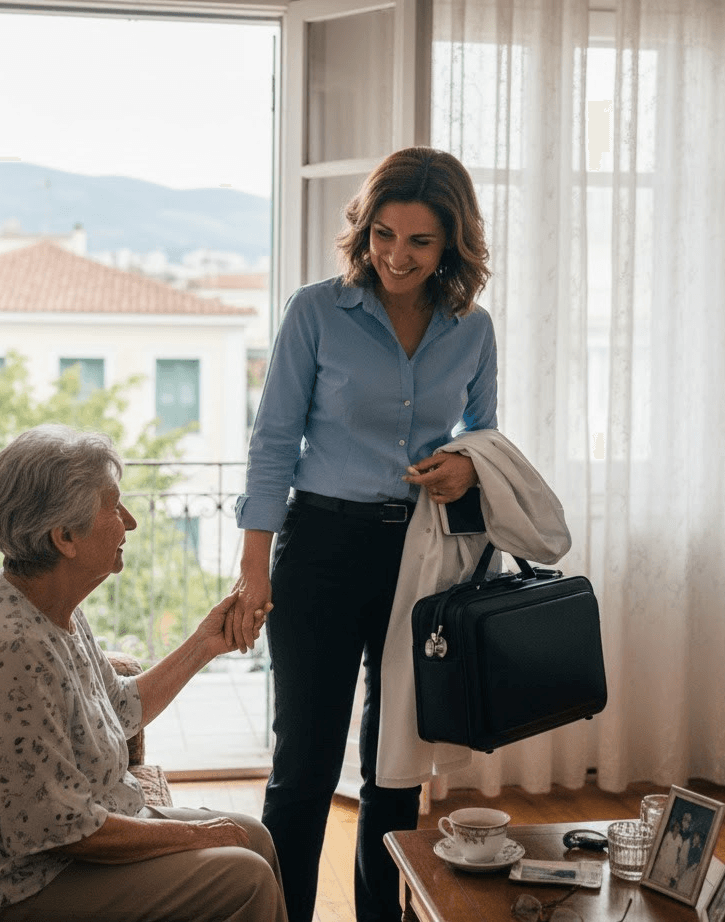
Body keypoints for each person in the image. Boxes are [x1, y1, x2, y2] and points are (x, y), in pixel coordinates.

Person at [230, 147, 498, 922]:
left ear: (452, 243)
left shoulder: (472, 329)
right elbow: (272, 442)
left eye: (419, 241)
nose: (396, 256)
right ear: (364, 228)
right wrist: (254, 568)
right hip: (319, 548)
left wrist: (465, 466)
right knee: (305, 766)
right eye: (384, 234)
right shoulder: (316, 312)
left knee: (396, 769)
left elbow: (487, 437)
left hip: (420, 556)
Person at [0, 424, 287, 922]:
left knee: (256, 837)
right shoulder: (14, 646)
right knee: (246, 878)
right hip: (9, 885)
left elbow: (118, 710)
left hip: (74, 838)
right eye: (114, 507)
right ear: (65, 537)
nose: (130, 522)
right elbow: (59, 828)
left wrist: (205, 644)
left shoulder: (54, 604)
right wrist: (195, 835)